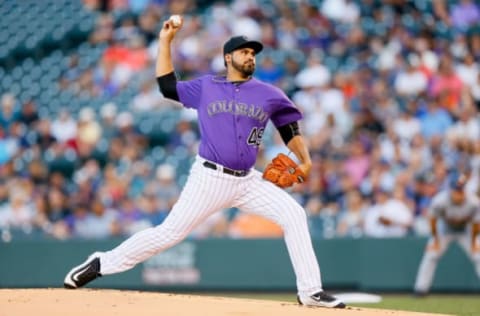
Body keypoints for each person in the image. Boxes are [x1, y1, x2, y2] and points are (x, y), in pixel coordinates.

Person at [63, 16, 345, 309]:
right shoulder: (206, 87)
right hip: (209, 178)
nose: (250, 56)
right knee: (168, 234)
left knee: (294, 215)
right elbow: (167, 87)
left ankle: (310, 291)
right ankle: (101, 263)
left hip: (248, 181)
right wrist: (166, 41)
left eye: (253, 53)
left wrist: (306, 160)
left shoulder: (269, 94)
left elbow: (289, 128)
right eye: (244, 52)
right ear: (228, 57)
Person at [413, 172, 480, 295]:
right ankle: (420, 289)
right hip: (445, 230)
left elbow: (476, 224)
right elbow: (433, 220)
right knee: (431, 254)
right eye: (456, 189)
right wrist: (435, 240)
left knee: (478, 255)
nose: (458, 193)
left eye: (461, 189)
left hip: (466, 231)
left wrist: (474, 242)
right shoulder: (440, 200)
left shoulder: (474, 202)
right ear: (450, 189)